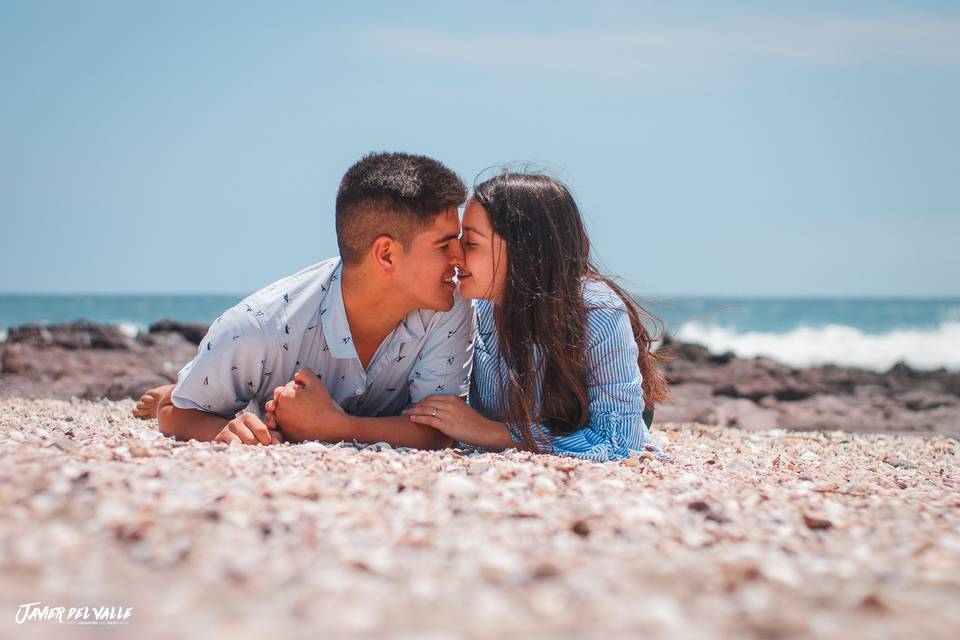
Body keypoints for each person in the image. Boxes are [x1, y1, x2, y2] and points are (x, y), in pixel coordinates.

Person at [133, 152, 474, 449]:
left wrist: (335, 427)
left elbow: (438, 431)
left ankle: (196, 379)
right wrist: (224, 428)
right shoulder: (256, 328)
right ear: (385, 254)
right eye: (444, 245)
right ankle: (183, 384)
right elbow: (176, 416)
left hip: (336, 411)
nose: (461, 258)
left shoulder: (446, 305)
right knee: (184, 395)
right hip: (244, 353)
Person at [402, 172, 670, 462]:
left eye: (471, 242)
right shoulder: (472, 310)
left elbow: (619, 443)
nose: (455, 255)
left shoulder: (598, 313)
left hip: (611, 412)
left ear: (523, 249)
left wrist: (492, 432)